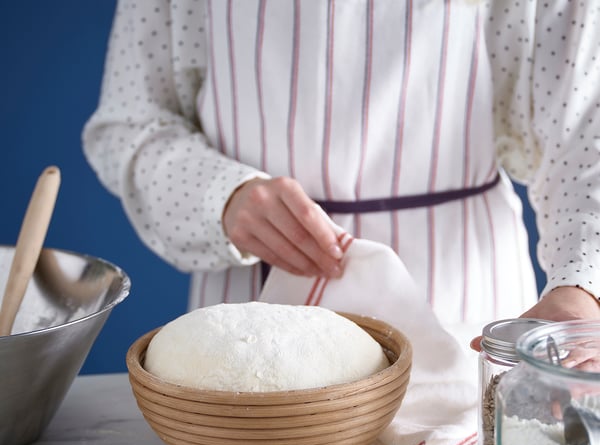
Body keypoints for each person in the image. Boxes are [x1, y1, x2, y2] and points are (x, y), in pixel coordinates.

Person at [82, 0, 600, 348]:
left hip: (466, 304)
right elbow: (129, 122)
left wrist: (582, 286)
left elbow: (586, 124)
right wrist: (219, 196)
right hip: (253, 310)